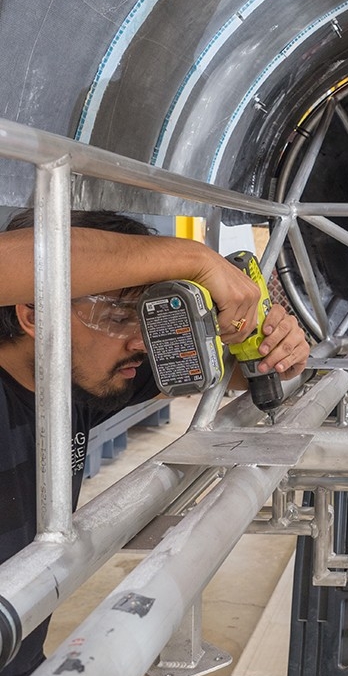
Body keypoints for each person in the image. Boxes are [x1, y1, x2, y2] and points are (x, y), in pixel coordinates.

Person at [0, 209, 310, 676]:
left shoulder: (73, 385)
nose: (141, 342)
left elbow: (236, 374)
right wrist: (194, 258)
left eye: (143, 319)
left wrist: (270, 345)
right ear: (33, 312)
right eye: (120, 317)